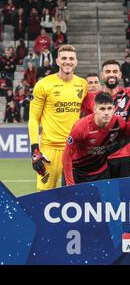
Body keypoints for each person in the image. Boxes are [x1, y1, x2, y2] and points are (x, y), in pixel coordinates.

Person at [28, 45, 88, 191]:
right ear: (57, 61)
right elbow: (33, 119)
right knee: (45, 195)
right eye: (64, 58)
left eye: (71, 58)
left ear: (76, 62)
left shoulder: (82, 84)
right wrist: (35, 149)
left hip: (74, 149)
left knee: (74, 194)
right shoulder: (43, 85)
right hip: (50, 150)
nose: (68, 62)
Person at [81, 60, 130, 178]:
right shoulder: (91, 98)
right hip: (100, 158)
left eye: (115, 71)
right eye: (108, 71)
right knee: (103, 195)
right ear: (102, 75)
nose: (111, 74)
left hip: (125, 157)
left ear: (120, 75)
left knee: (126, 195)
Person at [62, 92, 127, 185]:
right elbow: (67, 155)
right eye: (102, 109)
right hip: (78, 173)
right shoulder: (82, 127)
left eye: (109, 108)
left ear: (114, 109)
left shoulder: (119, 123)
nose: (106, 113)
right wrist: (69, 182)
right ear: (95, 109)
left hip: (101, 174)